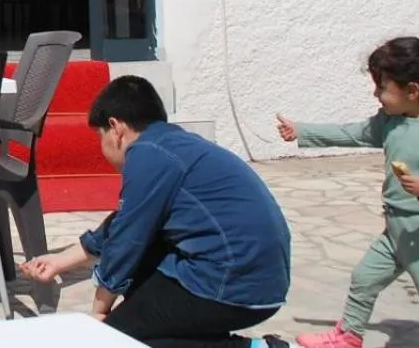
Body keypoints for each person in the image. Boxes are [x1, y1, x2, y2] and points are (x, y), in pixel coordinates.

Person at [20, 76, 291, 348]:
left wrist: (100, 312)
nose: (101, 147)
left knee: (118, 340)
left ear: (115, 128)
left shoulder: (148, 155)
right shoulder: (172, 145)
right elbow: (123, 223)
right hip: (260, 280)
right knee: (144, 296)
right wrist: (60, 261)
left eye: (99, 136)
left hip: (232, 283)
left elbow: (126, 242)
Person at [277, 37, 419, 348]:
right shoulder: (391, 123)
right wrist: (302, 130)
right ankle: (348, 337)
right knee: (364, 279)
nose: (376, 94)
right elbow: (351, 133)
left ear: (412, 91)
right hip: (394, 230)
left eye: (383, 87)